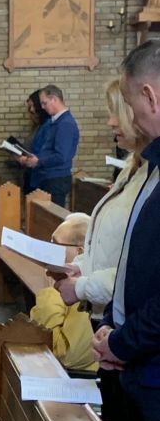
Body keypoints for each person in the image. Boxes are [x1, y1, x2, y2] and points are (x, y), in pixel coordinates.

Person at [93, 39, 160, 421]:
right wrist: (113, 330)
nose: (130, 116)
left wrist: (123, 341)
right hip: (135, 364)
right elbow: (137, 261)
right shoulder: (152, 164)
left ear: (150, 96)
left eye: (132, 102)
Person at [0, 214, 96, 421]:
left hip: (60, 381)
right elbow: (38, 331)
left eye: (56, 245)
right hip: (35, 369)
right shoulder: (66, 284)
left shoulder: (85, 291)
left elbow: (65, 355)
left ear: (80, 252)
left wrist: (50, 293)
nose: (49, 251)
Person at [55, 79, 148, 322]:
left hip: (128, 319)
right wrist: (81, 267)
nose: (111, 122)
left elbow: (139, 270)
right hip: (107, 314)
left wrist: (82, 287)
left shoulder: (152, 177)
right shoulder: (131, 168)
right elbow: (112, 247)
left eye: (116, 112)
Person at [19, 84, 80, 206]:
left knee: (52, 216)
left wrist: (38, 161)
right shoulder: (56, 121)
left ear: (54, 99)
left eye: (44, 103)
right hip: (48, 177)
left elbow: (61, 156)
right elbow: (48, 150)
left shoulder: (65, 123)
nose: (42, 107)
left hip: (56, 179)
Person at [21, 89, 51, 193]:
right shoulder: (38, 126)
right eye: (29, 107)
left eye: (33, 106)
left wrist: (25, 158)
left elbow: (42, 151)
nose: (31, 110)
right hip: (32, 174)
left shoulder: (48, 125)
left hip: (41, 177)